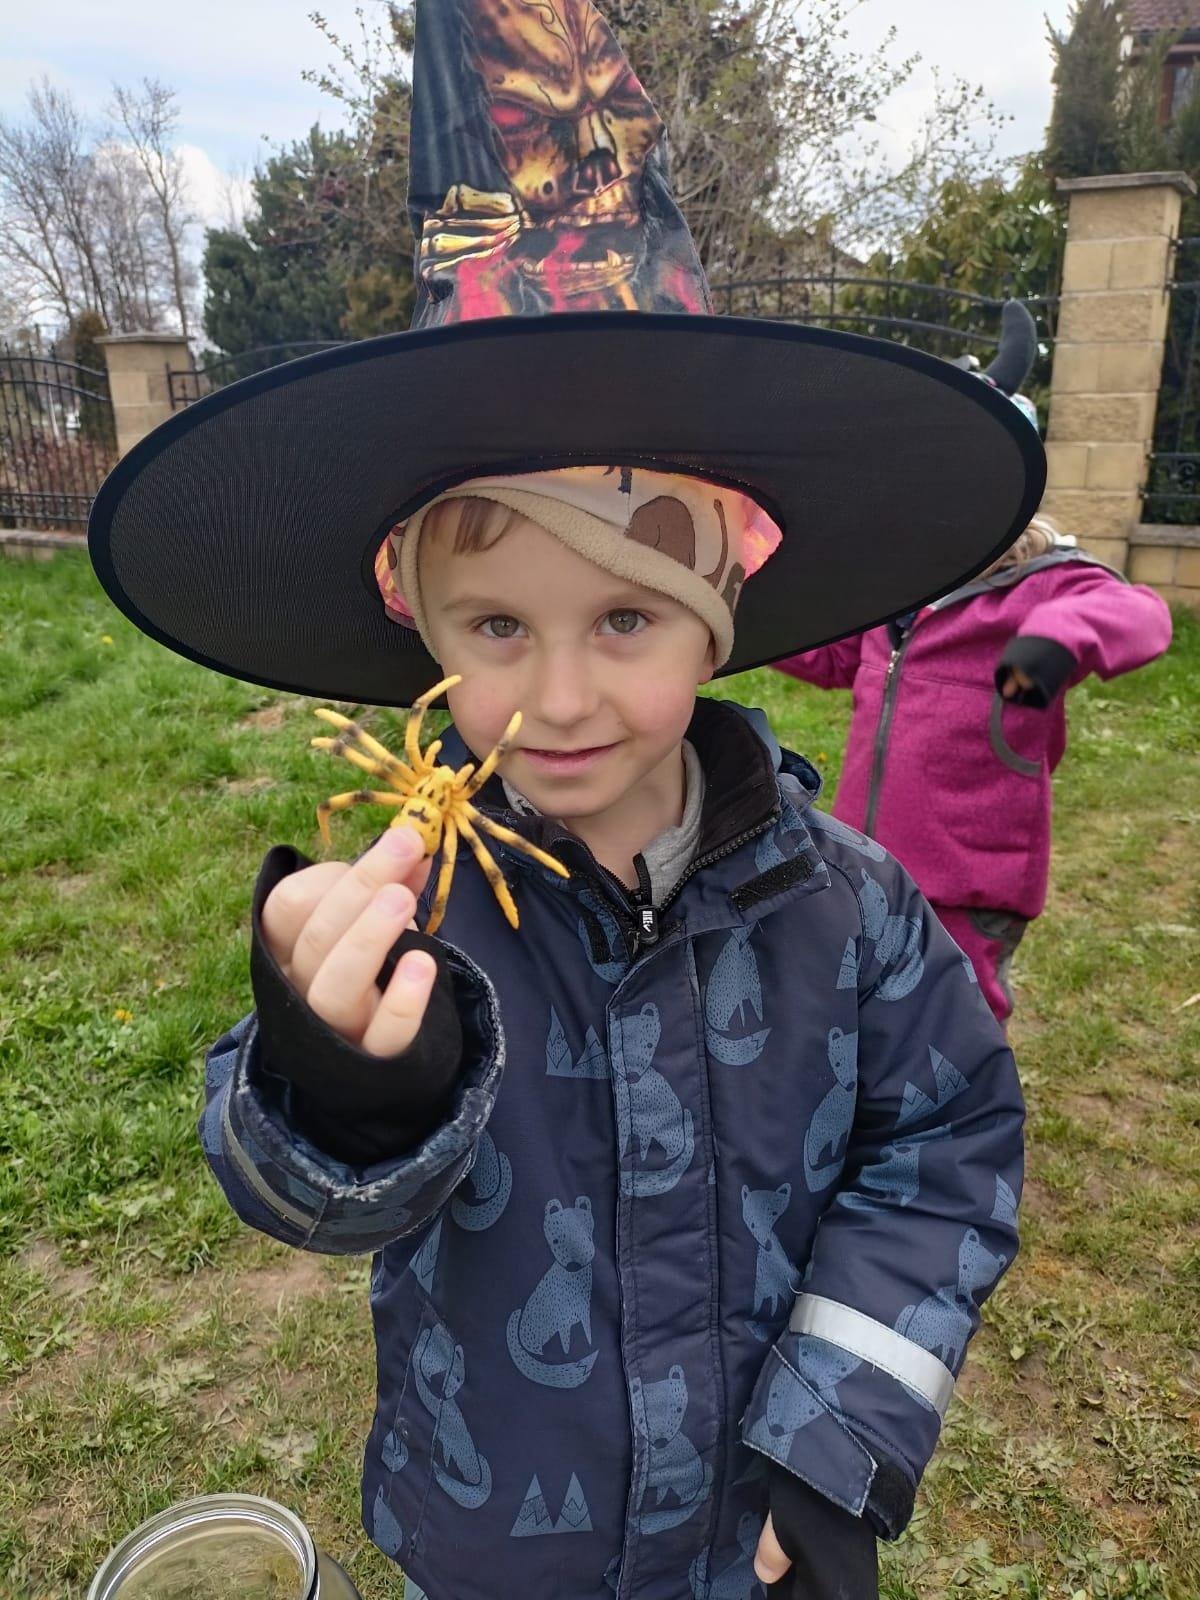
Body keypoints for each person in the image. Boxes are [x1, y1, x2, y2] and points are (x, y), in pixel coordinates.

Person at [87, 3, 1042, 1596]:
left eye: (624, 619)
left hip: (757, 1552)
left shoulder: (851, 908)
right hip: (490, 1550)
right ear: (420, 632)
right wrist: (343, 1081)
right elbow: (289, 1195)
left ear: (718, 620)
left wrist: (840, 1432)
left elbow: (950, 1138)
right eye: (494, 629)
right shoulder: (414, 916)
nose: (563, 697)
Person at [775, 507, 1172, 1025]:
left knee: (957, 1021)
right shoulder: (903, 593)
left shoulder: (1040, 584)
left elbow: (1141, 614)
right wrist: (753, 624)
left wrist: (1057, 637)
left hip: (967, 880)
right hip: (867, 869)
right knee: (867, 1005)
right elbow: (834, 656)